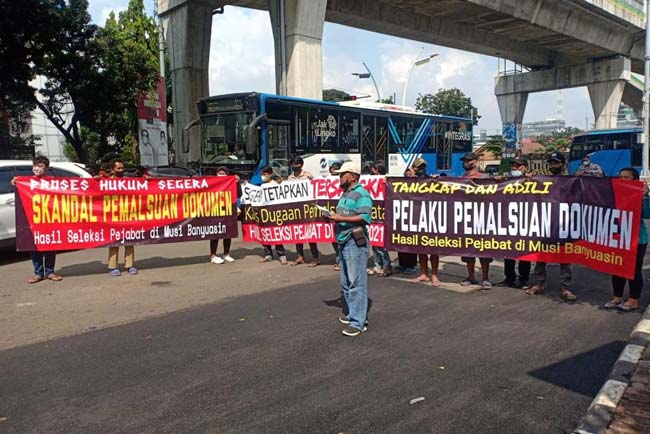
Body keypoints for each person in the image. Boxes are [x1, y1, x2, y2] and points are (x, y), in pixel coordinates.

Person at [329, 162, 373, 337]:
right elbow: (346, 215)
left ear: (353, 176)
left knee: (356, 283)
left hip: (354, 242)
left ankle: (358, 323)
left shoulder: (362, 194)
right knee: (346, 283)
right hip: (344, 242)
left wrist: (338, 218)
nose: (340, 178)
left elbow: (364, 217)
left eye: (343, 174)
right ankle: (354, 314)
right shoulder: (345, 194)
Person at [526, 151, 577, 300]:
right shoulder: (541, 180)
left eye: (556, 163)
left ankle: (565, 287)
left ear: (563, 164)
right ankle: (539, 284)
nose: (554, 166)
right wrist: (528, 180)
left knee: (564, 257)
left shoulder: (571, 180)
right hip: (545, 224)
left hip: (564, 224)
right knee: (541, 257)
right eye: (551, 163)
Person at [11, 156, 63, 283]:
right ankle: (38, 273)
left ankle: (50, 272)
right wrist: (15, 183)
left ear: (46, 168)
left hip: (49, 218)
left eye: (41, 166)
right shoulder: (27, 181)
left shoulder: (52, 181)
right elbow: (20, 193)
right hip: (32, 219)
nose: (38, 169)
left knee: (50, 246)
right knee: (34, 248)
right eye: (36, 165)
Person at [604, 168, 650, 311]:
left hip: (637, 239)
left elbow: (647, 214)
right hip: (618, 237)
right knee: (617, 267)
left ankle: (633, 300)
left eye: (626, 177)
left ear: (635, 181)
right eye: (620, 177)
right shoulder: (614, 194)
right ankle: (617, 297)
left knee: (633, 270)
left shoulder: (641, 196)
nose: (622, 179)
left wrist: (644, 196)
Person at [496, 157, 532, 289]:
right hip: (509, 220)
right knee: (508, 250)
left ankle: (524, 279)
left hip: (525, 220)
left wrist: (531, 179)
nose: (515, 168)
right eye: (513, 166)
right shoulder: (507, 180)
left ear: (525, 167)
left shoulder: (532, 180)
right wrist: (497, 182)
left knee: (524, 250)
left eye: (518, 166)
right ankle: (509, 277)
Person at [459, 152, 493, 289]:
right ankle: (471, 276)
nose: (466, 162)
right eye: (465, 160)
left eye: (469, 160)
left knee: (484, 250)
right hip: (466, 219)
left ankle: (485, 278)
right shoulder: (461, 179)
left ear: (475, 161)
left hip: (482, 220)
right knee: (468, 251)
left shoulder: (484, 178)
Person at [409, 158, 442, 286]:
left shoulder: (432, 180)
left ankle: (434, 275)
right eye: (417, 167)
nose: (419, 170)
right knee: (420, 248)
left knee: (433, 249)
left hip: (432, 217)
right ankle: (424, 273)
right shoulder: (409, 181)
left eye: (422, 167)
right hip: (417, 218)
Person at [107, 158, 138, 277]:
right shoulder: (106, 182)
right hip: (113, 216)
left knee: (129, 242)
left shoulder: (128, 182)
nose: (121, 170)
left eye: (122, 168)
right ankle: (113, 266)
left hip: (127, 215)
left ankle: (130, 265)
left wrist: (147, 181)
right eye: (118, 168)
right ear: (112, 170)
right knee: (114, 243)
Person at [288, 156, 320, 266]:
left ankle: (315, 258)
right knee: (298, 234)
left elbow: (315, 188)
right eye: (292, 164)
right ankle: (300, 256)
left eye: (296, 164)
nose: (293, 166)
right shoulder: (290, 178)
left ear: (301, 165)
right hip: (296, 210)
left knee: (310, 234)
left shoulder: (308, 176)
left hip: (308, 209)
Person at [366, 161, 393, 277]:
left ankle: (387, 266)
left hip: (382, 216)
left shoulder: (386, 180)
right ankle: (378, 265)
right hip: (373, 215)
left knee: (381, 245)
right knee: (374, 243)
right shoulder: (370, 180)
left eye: (374, 169)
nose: (372, 171)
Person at [259, 166, 288, 264]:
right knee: (266, 233)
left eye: (264, 174)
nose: (263, 177)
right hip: (265, 213)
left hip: (275, 213)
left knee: (277, 233)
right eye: (261, 175)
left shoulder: (275, 185)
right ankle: (268, 254)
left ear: (270, 174)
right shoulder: (262, 186)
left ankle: (281, 254)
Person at [209, 166, 237, 264]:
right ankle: (213, 255)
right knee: (215, 234)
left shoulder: (231, 183)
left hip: (227, 211)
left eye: (223, 173)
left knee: (227, 234)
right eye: (219, 173)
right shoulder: (212, 183)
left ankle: (226, 254)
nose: (221, 175)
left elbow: (239, 194)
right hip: (215, 211)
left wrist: (236, 183)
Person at [395, 166, 418, 274]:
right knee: (400, 241)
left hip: (413, 218)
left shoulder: (421, 182)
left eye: (410, 174)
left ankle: (411, 265)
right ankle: (402, 264)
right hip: (402, 216)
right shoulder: (401, 184)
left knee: (410, 243)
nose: (408, 176)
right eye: (407, 174)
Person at [328, 161, 343, 271]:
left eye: (336, 172)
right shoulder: (327, 181)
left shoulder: (344, 183)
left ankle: (340, 260)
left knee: (341, 238)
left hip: (342, 213)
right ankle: (339, 257)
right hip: (331, 213)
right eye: (332, 171)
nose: (333, 173)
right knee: (334, 238)